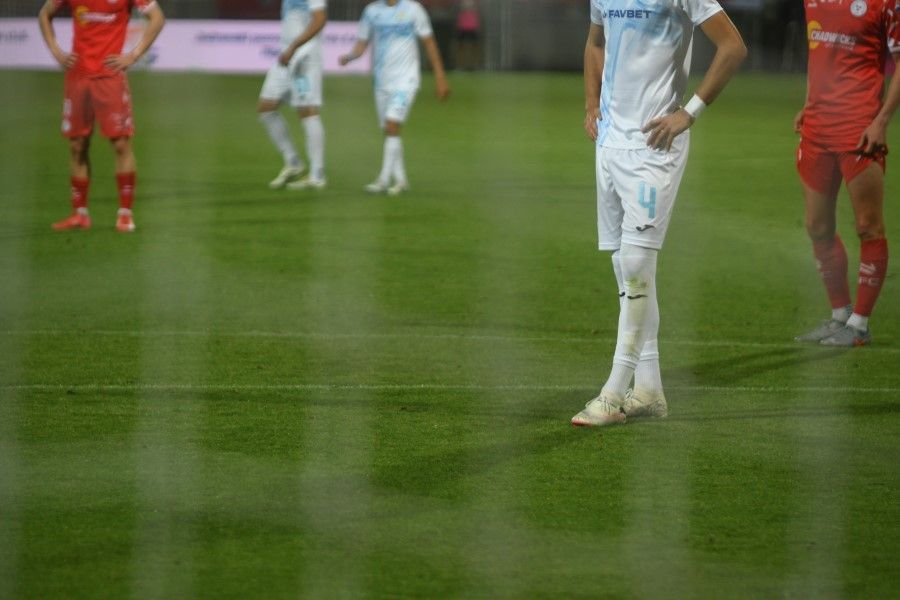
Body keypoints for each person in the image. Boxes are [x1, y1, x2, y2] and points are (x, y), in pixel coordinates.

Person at [571, 0, 746, 427]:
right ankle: (649, 390)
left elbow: (733, 47)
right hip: (610, 145)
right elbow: (595, 43)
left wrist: (689, 112)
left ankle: (613, 393)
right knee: (625, 267)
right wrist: (592, 102)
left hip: (655, 146)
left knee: (635, 265)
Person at [793, 0, 900, 347]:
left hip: (859, 128)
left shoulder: (885, 3)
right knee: (817, 226)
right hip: (817, 128)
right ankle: (840, 314)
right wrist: (808, 103)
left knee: (869, 226)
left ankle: (860, 324)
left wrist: (881, 121)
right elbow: (818, 55)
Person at [39, 0, 165, 232]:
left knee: (121, 144)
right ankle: (79, 214)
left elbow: (157, 17)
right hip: (78, 77)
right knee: (77, 145)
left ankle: (125, 214)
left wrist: (134, 55)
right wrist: (56, 51)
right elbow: (45, 14)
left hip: (110, 77)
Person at [339, 0, 450, 196]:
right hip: (382, 81)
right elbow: (362, 44)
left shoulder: (413, 10)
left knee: (392, 125)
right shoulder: (371, 12)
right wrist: (349, 57)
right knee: (390, 131)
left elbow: (429, 43)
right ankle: (401, 180)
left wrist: (440, 76)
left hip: (406, 80)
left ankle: (383, 180)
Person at [258, 0, 328, 191]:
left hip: (304, 59)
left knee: (307, 111)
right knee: (266, 108)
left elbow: (320, 19)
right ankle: (293, 162)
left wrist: (295, 47)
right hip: (286, 57)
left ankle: (317, 175)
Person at [454, 0, 481, 71]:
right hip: (461, 25)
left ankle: (474, 66)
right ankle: (460, 66)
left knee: (474, 46)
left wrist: (469, 5)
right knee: (460, 46)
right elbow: (458, 6)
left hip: (473, 25)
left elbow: (476, 6)